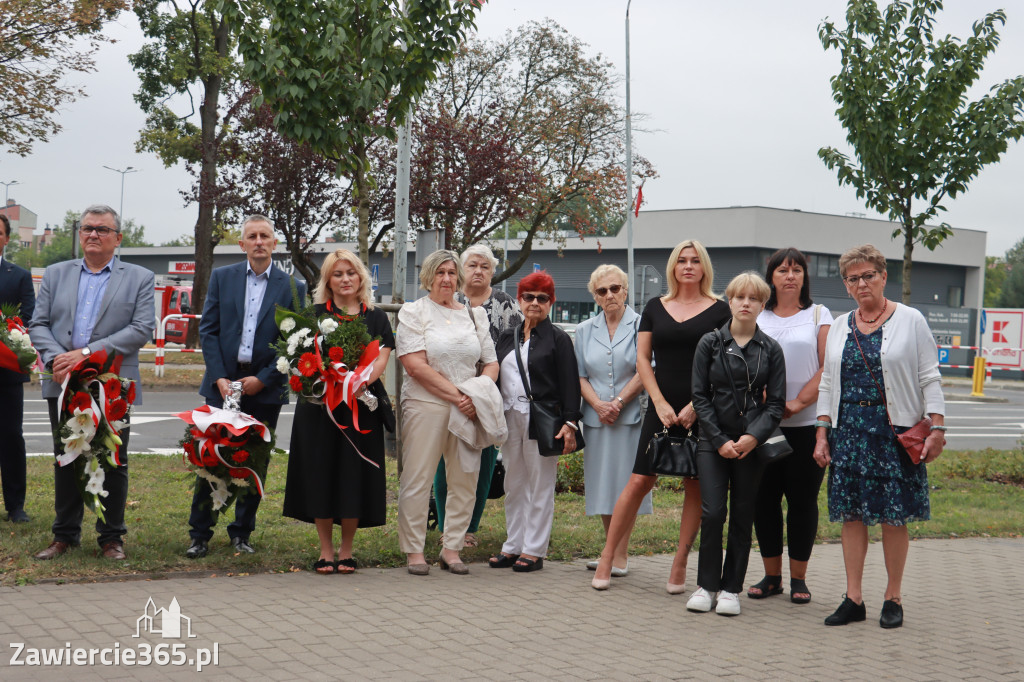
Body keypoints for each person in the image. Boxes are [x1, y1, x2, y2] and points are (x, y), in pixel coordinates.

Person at [814, 244, 945, 629]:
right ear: (846, 285)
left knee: (892, 517)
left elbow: (929, 377)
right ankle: (853, 598)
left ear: (884, 277)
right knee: (852, 517)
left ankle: (893, 596)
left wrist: (936, 426)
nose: (861, 283)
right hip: (849, 434)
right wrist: (822, 433)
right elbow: (826, 382)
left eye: (868, 275)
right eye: (853, 278)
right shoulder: (840, 325)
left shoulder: (911, 319)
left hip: (894, 434)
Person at [592, 240, 730, 591]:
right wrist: (660, 403)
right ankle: (608, 556)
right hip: (662, 407)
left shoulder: (720, 310)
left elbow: (723, 366)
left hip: (702, 410)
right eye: (682, 260)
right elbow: (642, 359)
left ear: (704, 267)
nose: (688, 266)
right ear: (672, 266)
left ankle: (680, 562)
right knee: (639, 480)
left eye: (695, 261)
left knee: (694, 485)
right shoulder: (656, 306)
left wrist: (696, 407)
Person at [28, 205, 155, 560]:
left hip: (112, 383)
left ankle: (111, 538)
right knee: (66, 458)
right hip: (63, 381)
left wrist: (84, 353)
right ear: (79, 234)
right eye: (87, 228)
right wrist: (57, 359)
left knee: (112, 458)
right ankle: (64, 535)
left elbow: (141, 328)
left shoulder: (140, 277)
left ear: (118, 237)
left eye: (102, 229)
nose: (93, 234)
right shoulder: (55, 274)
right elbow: (38, 324)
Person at [186, 215, 306, 559]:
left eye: (264, 236)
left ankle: (241, 533)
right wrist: (220, 378)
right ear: (242, 244)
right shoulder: (223, 278)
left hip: (263, 388)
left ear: (274, 243)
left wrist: (264, 379)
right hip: (222, 385)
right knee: (210, 458)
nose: (258, 242)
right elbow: (208, 330)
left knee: (253, 463)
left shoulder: (292, 287)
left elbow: (292, 342)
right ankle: (200, 534)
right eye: (251, 236)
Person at [283, 249, 394, 574]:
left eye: (351, 273)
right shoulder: (313, 315)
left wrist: (355, 382)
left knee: (353, 477)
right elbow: (302, 359)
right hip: (320, 409)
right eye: (337, 274)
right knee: (320, 475)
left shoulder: (376, 317)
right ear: (328, 281)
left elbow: (382, 358)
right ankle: (326, 550)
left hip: (359, 407)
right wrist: (326, 380)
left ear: (360, 277)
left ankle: (346, 550)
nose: (345, 279)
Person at [687, 272, 786, 616]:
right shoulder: (709, 343)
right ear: (729, 301)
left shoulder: (771, 349)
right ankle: (706, 585)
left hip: (750, 445)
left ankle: (731, 589)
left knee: (743, 515)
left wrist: (752, 437)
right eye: (739, 297)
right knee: (713, 513)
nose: (746, 303)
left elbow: (775, 404)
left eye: (754, 299)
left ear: (762, 305)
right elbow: (699, 397)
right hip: (711, 442)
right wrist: (718, 440)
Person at [396, 250, 499, 575]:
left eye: (452, 273)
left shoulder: (475, 316)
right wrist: (459, 397)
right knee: (418, 478)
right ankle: (414, 551)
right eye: (440, 272)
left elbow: (491, 363)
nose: (446, 279)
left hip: (468, 408)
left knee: (465, 478)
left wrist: (477, 394)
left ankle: (451, 548)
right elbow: (414, 366)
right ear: (429, 276)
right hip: (426, 405)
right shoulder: (414, 312)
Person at [748, 248, 833, 604]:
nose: (790, 276)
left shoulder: (818, 314)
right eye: (782, 270)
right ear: (771, 277)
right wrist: (766, 400)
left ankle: (799, 579)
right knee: (764, 501)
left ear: (804, 277)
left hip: (806, 423)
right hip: (762, 424)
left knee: (801, 502)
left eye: (797, 270)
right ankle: (772, 577)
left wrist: (798, 402)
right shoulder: (758, 315)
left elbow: (829, 366)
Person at [490, 271, 581, 573]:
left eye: (542, 298)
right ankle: (513, 545)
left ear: (551, 302)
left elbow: (571, 384)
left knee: (540, 485)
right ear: (519, 299)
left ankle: (534, 549)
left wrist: (570, 422)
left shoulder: (559, 339)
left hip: (542, 420)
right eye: (529, 297)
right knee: (513, 483)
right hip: (509, 418)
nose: (534, 303)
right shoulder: (508, 336)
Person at [433, 244, 522, 547]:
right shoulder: (447, 300)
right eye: (472, 265)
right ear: (461, 269)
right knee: (445, 464)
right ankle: (446, 525)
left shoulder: (506, 304)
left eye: (485, 266)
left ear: (492, 272)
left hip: (488, 394)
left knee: (482, 465)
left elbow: (514, 350)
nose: (478, 271)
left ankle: (470, 528)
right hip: (450, 392)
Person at [576, 264, 650, 575]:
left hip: (630, 417)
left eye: (615, 289)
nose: (609, 295)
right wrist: (598, 405)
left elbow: (645, 370)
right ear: (595, 296)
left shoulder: (642, 325)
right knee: (604, 484)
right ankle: (611, 550)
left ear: (625, 290)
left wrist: (617, 403)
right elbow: (579, 375)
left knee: (626, 485)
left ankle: (620, 555)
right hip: (596, 420)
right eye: (602, 291)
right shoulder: (583, 330)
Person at [0, 213, 35, 523]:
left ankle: (15, 505)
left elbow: (30, 320)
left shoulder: (18, 276)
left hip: (6, 372)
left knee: (11, 437)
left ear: (6, 238)